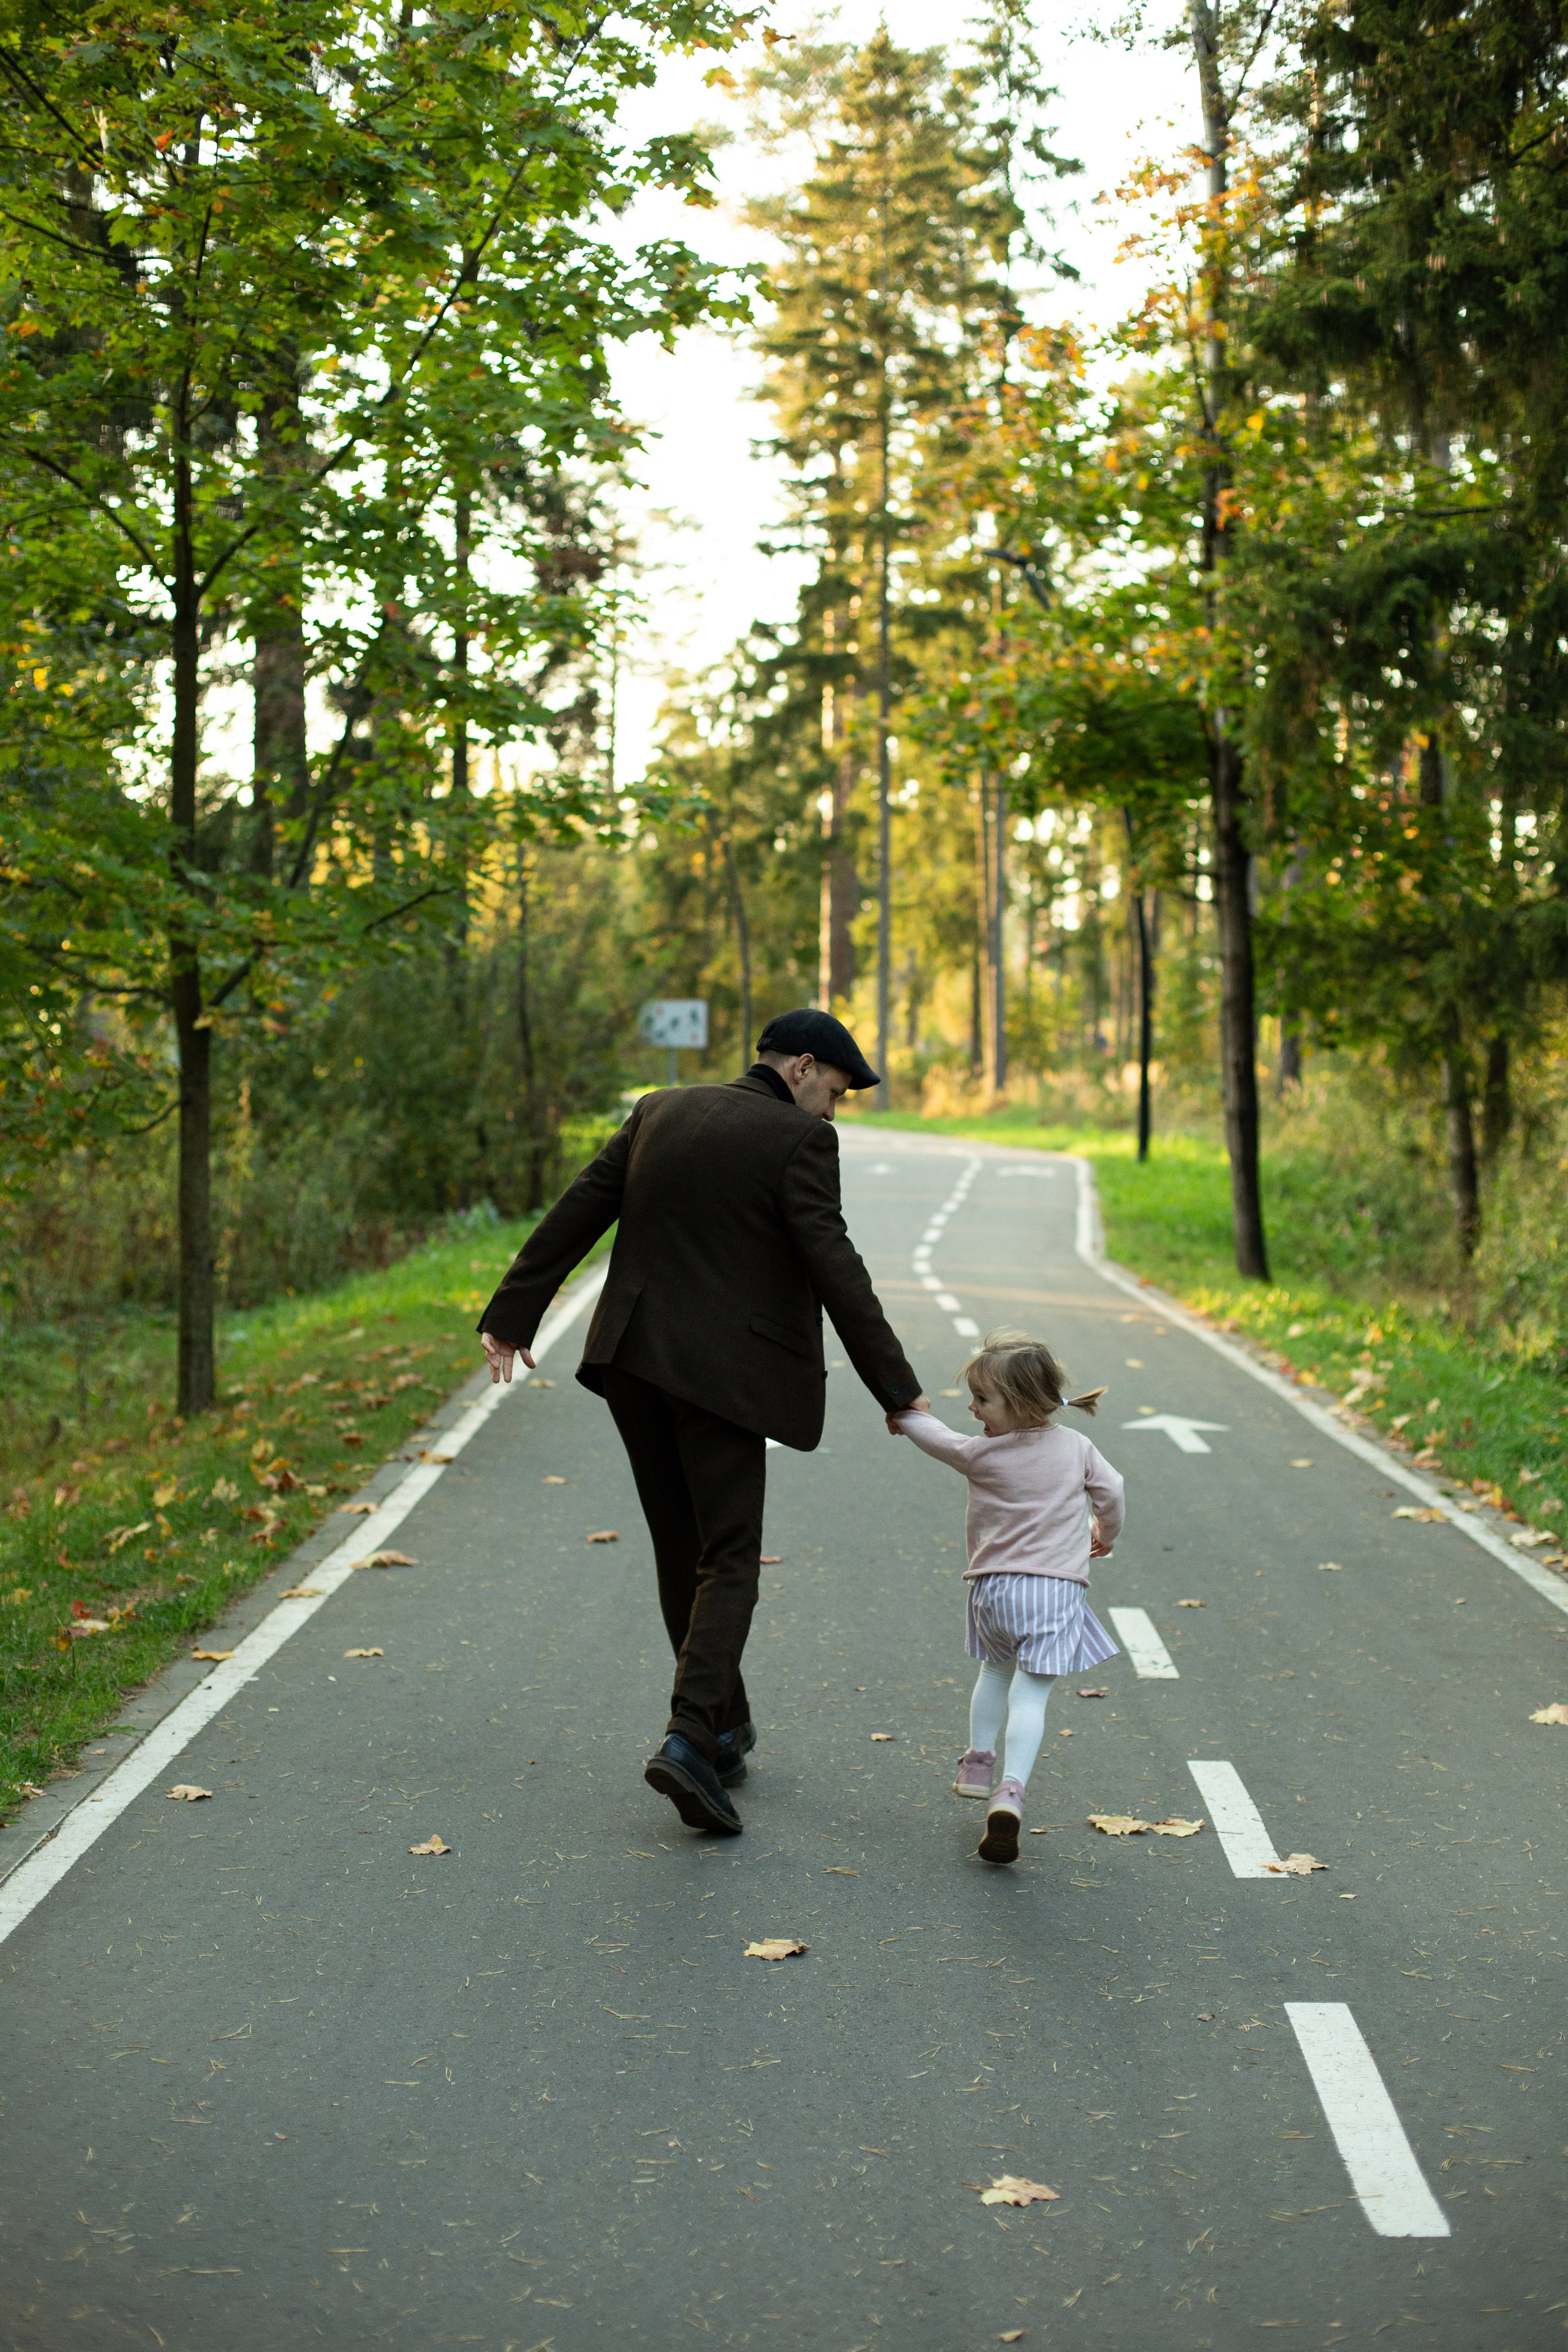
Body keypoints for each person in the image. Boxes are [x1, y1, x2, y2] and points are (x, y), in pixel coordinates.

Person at [477, 1009, 929, 1837]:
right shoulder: (801, 1141)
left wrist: (512, 1314)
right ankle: (688, 1736)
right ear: (800, 1067)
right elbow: (836, 1266)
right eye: (834, 1091)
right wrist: (898, 1391)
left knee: (681, 1548)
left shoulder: (661, 1110)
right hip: (723, 1380)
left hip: (630, 1361)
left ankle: (722, 1725)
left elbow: (581, 1207)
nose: (833, 1110)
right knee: (728, 1552)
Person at [888, 1329, 1124, 1867]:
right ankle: (1011, 1790)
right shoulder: (1078, 1448)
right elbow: (1113, 1492)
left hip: (993, 1591)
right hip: (1054, 1591)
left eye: (982, 1399)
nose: (972, 1410)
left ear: (1018, 1403)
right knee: (1032, 1695)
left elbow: (935, 1437)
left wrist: (902, 1412)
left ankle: (977, 1764)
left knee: (994, 1673)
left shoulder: (981, 1454)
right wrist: (1104, 1533)